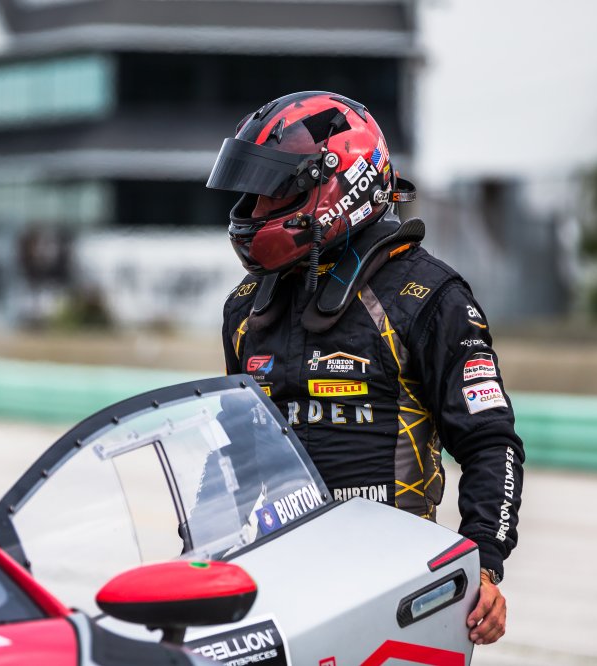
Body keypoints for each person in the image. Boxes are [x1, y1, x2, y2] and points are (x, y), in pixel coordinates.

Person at [207, 91, 524, 646]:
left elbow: (490, 442)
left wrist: (485, 563)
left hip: (391, 590)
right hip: (279, 582)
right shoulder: (245, 310)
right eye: (252, 194)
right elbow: (236, 456)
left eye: (274, 191)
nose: (255, 211)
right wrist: (201, 557)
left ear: (339, 184)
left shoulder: (430, 297)